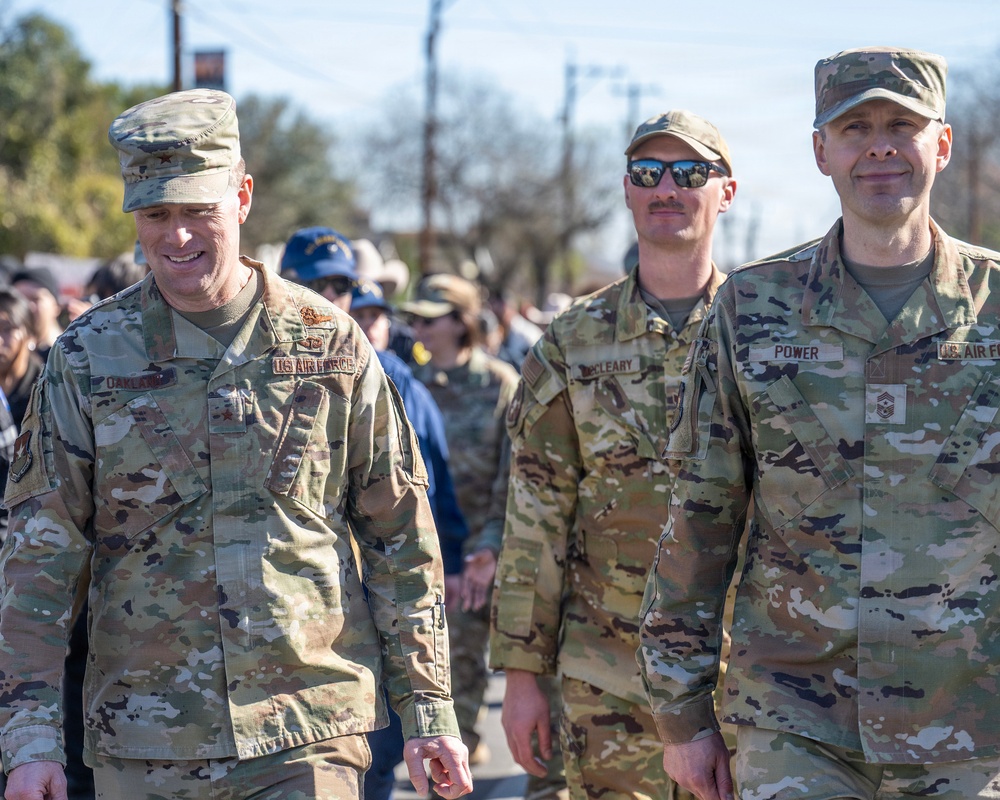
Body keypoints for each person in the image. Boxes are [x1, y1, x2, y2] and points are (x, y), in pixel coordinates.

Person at [0, 88, 471, 800]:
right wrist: (31, 737)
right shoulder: (88, 357)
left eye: (199, 211)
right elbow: (41, 553)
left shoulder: (329, 345)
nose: (177, 237)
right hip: (147, 737)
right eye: (156, 214)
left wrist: (429, 709)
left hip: (308, 731)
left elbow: (399, 537)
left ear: (242, 198)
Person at [638, 47, 1000, 800]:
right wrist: (681, 715)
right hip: (796, 719)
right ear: (820, 150)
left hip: (971, 722)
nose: (879, 145)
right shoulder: (752, 309)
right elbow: (700, 518)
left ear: (943, 142)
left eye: (902, 124)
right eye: (853, 126)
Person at [490, 110, 736, 800]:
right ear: (626, 191)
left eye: (690, 173)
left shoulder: (764, 334)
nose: (667, 188)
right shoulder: (572, 343)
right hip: (604, 682)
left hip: (742, 682)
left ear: (726, 191)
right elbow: (536, 515)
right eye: (647, 173)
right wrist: (519, 676)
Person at [346, 277, 471, 800]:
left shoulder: (401, 386)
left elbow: (426, 497)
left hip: (387, 598)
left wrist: (460, 560)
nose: (361, 319)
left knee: (377, 758)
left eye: (375, 313)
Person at [401, 276, 520, 766]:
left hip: (474, 552)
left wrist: (487, 549)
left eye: (430, 319)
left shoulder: (498, 383)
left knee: (465, 665)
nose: (419, 329)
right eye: (415, 319)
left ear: (460, 322)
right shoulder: (409, 383)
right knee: (420, 672)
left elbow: (509, 477)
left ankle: (459, 764)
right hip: (416, 552)